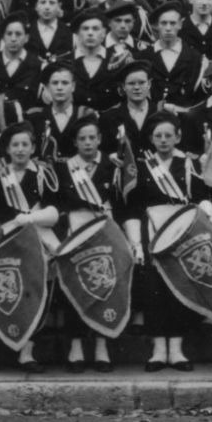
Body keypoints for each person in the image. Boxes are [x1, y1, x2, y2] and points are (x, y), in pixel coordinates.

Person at [122, 109, 212, 372]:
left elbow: (200, 198)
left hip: (181, 233)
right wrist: (136, 243)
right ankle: (158, 349)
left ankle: (176, 349)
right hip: (151, 232)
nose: (163, 140)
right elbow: (132, 207)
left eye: (168, 135)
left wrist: (209, 209)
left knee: (179, 289)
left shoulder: (189, 164)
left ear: (178, 137)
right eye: (158, 136)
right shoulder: (141, 166)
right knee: (154, 290)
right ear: (151, 139)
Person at [0, 122, 61, 374]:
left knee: (36, 293)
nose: (20, 150)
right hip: (5, 241)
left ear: (33, 148)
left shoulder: (44, 175)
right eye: (15, 145)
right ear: (7, 149)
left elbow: (53, 213)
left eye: (25, 145)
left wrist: (29, 218)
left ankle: (27, 354)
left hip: (37, 241)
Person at [48, 114, 122, 373]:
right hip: (75, 231)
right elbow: (57, 205)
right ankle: (76, 347)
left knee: (104, 285)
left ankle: (102, 346)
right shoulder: (65, 168)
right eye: (82, 139)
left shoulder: (113, 166)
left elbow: (119, 202)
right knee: (75, 287)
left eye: (92, 138)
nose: (88, 143)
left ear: (100, 139)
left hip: (105, 230)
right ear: (75, 142)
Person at [145, 2, 205, 109]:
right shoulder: (145, 56)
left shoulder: (195, 58)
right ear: (157, 26)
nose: (168, 28)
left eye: (172, 23)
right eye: (163, 23)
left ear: (180, 25)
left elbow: (198, 99)